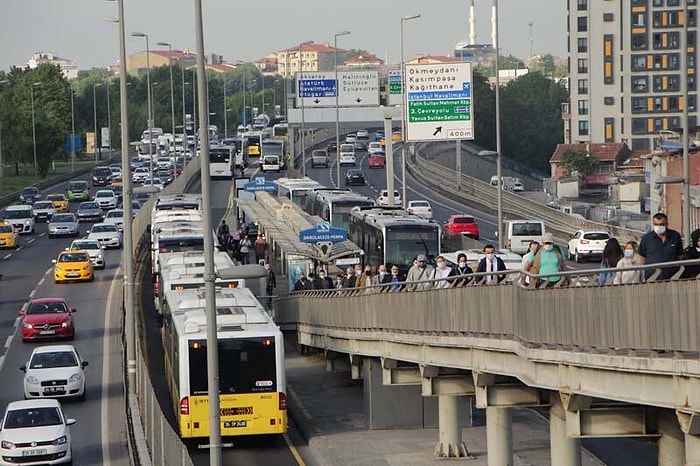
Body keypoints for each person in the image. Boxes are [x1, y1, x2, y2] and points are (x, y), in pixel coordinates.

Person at [638, 212, 684, 281]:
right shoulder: (646, 238)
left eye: (661, 224)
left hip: (673, 278)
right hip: (652, 279)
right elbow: (642, 259)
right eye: (656, 224)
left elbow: (680, 256)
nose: (659, 227)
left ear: (666, 224)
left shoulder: (675, 236)